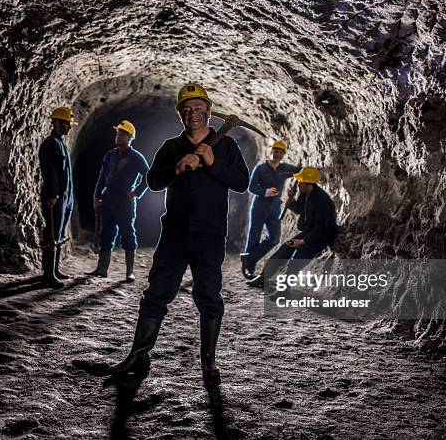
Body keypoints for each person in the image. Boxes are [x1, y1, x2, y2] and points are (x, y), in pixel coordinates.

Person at [103, 82, 249, 385]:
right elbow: (154, 181)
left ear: (209, 111)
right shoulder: (171, 147)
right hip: (174, 233)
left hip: (209, 235)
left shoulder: (226, 147)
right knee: (156, 293)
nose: (192, 114)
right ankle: (138, 355)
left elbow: (241, 182)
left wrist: (212, 162)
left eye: (198, 108)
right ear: (179, 114)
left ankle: (209, 363)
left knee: (208, 296)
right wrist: (176, 170)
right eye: (186, 109)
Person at [247, 166, 338, 288]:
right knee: (284, 249)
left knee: (298, 256)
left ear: (309, 183)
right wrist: (291, 200)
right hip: (309, 231)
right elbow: (299, 209)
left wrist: (303, 241)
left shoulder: (322, 201)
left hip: (322, 235)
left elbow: (322, 228)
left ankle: (284, 288)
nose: (298, 183)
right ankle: (263, 277)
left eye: (301, 181)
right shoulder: (304, 194)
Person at [90, 120, 149, 282]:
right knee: (106, 233)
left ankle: (130, 271)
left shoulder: (136, 157)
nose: (118, 136)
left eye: (122, 134)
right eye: (117, 133)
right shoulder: (110, 155)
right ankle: (102, 269)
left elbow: (148, 176)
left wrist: (136, 192)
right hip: (108, 199)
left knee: (127, 234)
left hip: (125, 201)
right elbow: (102, 177)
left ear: (130, 137)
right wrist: (97, 196)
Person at [241, 141, 300, 278]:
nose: (278, 154)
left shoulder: (284, 168)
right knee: (254, 236)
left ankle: (248, 259)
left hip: (274, 208)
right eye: (276, 151)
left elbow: (299, 171)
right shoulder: (260, 168)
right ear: (271, 151)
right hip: (259, 206)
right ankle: (250, 268)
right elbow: (251, 187)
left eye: (281, 152)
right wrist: (265, 191)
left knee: (274, 238)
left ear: (284, 154)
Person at [38, 107, 77, 288]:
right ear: (59, 123)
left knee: (59, 233)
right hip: (55, 197)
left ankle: (55, 269)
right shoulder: (50, 144)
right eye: (68, 123)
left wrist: (69, 197)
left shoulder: (61, 143)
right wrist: (53, 195)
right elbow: (50, 172)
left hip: (65, 197)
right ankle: (48, 275)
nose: (70, 127)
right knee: (51, 234)